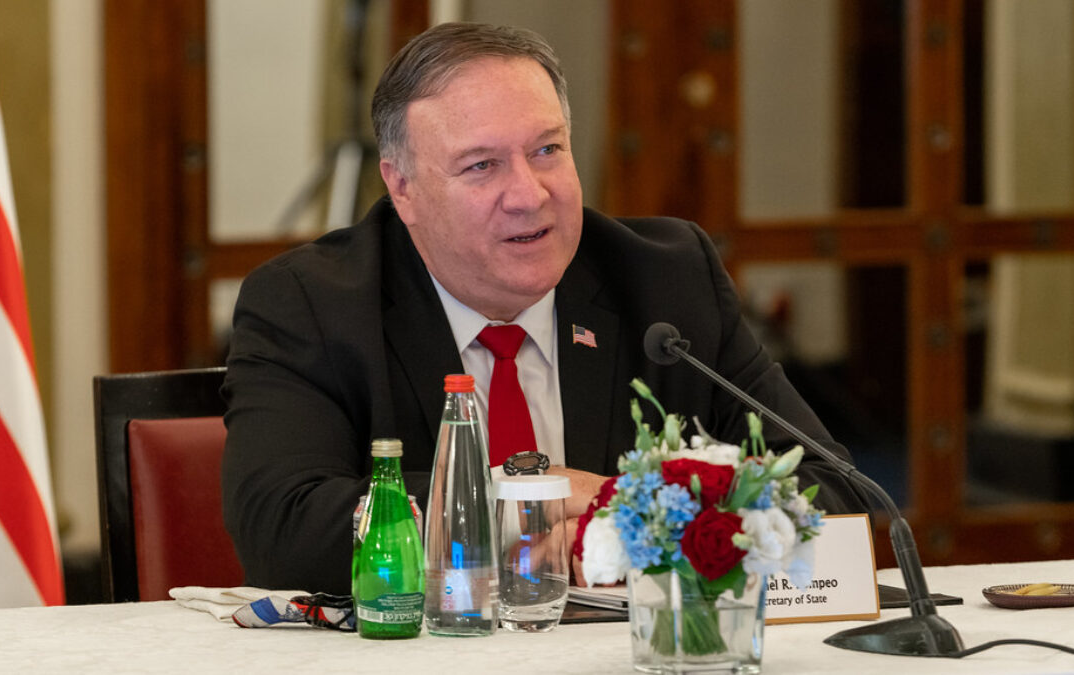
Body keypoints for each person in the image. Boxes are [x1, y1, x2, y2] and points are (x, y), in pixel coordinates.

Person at [222, 22, 871, 595]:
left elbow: (833, 494)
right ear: (403, 187)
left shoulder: (666, 281)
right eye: (481, 166)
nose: (529, 194)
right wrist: (532, 504)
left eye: (547, 150)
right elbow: (285, 528)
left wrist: (629, 509)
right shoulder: (311, 304)